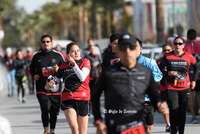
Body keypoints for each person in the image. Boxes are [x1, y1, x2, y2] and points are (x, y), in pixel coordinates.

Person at [92, 33, 169, 134]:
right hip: (114, 126)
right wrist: (98, 121)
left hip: (137, 126)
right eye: (123, 47)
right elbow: (95, 96)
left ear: (137, 49)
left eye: (131, 47)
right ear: (118, 50)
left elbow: (154, 96)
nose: (127, 51)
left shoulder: (146, 72)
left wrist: (159, 104)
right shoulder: (108, 73)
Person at [45, 42, 91, 134]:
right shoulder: (63, 66)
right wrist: (48, 86)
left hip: (83, 99)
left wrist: (74, 64)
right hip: (68, 99)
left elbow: (82, 77)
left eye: (78, 51)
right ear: (68, 54)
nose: (76, 53)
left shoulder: (85, 62)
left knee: (83, 132)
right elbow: (56, 87)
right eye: (73, 51)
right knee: (74, 129)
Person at [159, 36, 199, 134]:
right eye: (176, 43)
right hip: (171, 87)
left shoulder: (189, 56)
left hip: (185, 88)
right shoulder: (167, 56)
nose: (177, 45)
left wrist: (194, 81)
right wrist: (168, 73)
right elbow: (159, 70)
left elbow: (197, 66)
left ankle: (181, 131)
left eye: (180, 43)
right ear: (173, 45)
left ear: (183, 45)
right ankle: (173, 130)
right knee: (173, 110)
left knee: (182, 111)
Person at [29, 35, 65, 134]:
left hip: (55, 89)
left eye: (48, 41)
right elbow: (30, 68)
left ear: (51, 43)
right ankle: (46, 131)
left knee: (54, 111)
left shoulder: (58, 55)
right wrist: (34, 75)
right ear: (41, 44)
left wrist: (59, 70)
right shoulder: (37, 56)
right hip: (42, 88)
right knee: (45, 108)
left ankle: (52, 131)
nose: (46, 43)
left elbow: (65, 68)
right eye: (43, 42)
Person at [137, 39, 163, 134]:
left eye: (136, 47)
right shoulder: (125, 64)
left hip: (149, 101)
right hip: (134, 102)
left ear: (141, 49)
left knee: (149, 129)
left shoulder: (149, 62)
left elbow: (159, 75)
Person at [183, 29, 200, 124]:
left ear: (187, 36)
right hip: (199, 74)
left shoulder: (184, 47)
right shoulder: (199, 45)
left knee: (190, 96)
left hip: (189, 75)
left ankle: (193, 117)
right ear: (196, 36)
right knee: (199, 95)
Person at [157, 44, 172, 132]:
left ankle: (173, 123)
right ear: (162, 52)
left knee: (174, 107)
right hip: (163, 88)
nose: (166, 52)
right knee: (165, 107)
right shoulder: (158, 62)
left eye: (168, 50)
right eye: (164, 50)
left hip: (174, 87)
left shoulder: (175, 60)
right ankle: (168, 124)